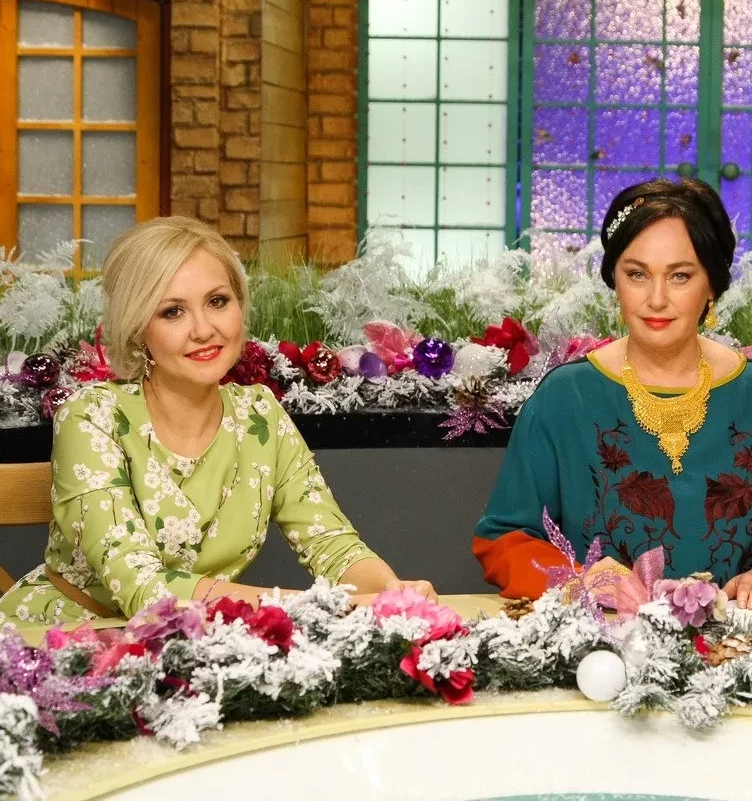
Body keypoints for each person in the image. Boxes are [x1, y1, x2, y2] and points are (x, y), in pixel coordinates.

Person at [0, 217, 436, 628]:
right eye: (172, 311)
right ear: (137, 329)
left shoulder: (260, 415)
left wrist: (391, 592)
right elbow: (145, 590)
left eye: (217, 301)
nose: (204, 329)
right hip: (65, 639)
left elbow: (333, 545)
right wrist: (314, 606)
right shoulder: (92, 416)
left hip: (205, 642)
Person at [474, 178, 752, 609]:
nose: (656, 299)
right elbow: (504, 538)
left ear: (712, 285)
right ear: (615, 280)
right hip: (603, 640)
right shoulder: (564, 398)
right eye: (637, 274)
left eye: (680, 276)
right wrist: (581, 581)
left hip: (740, 640)